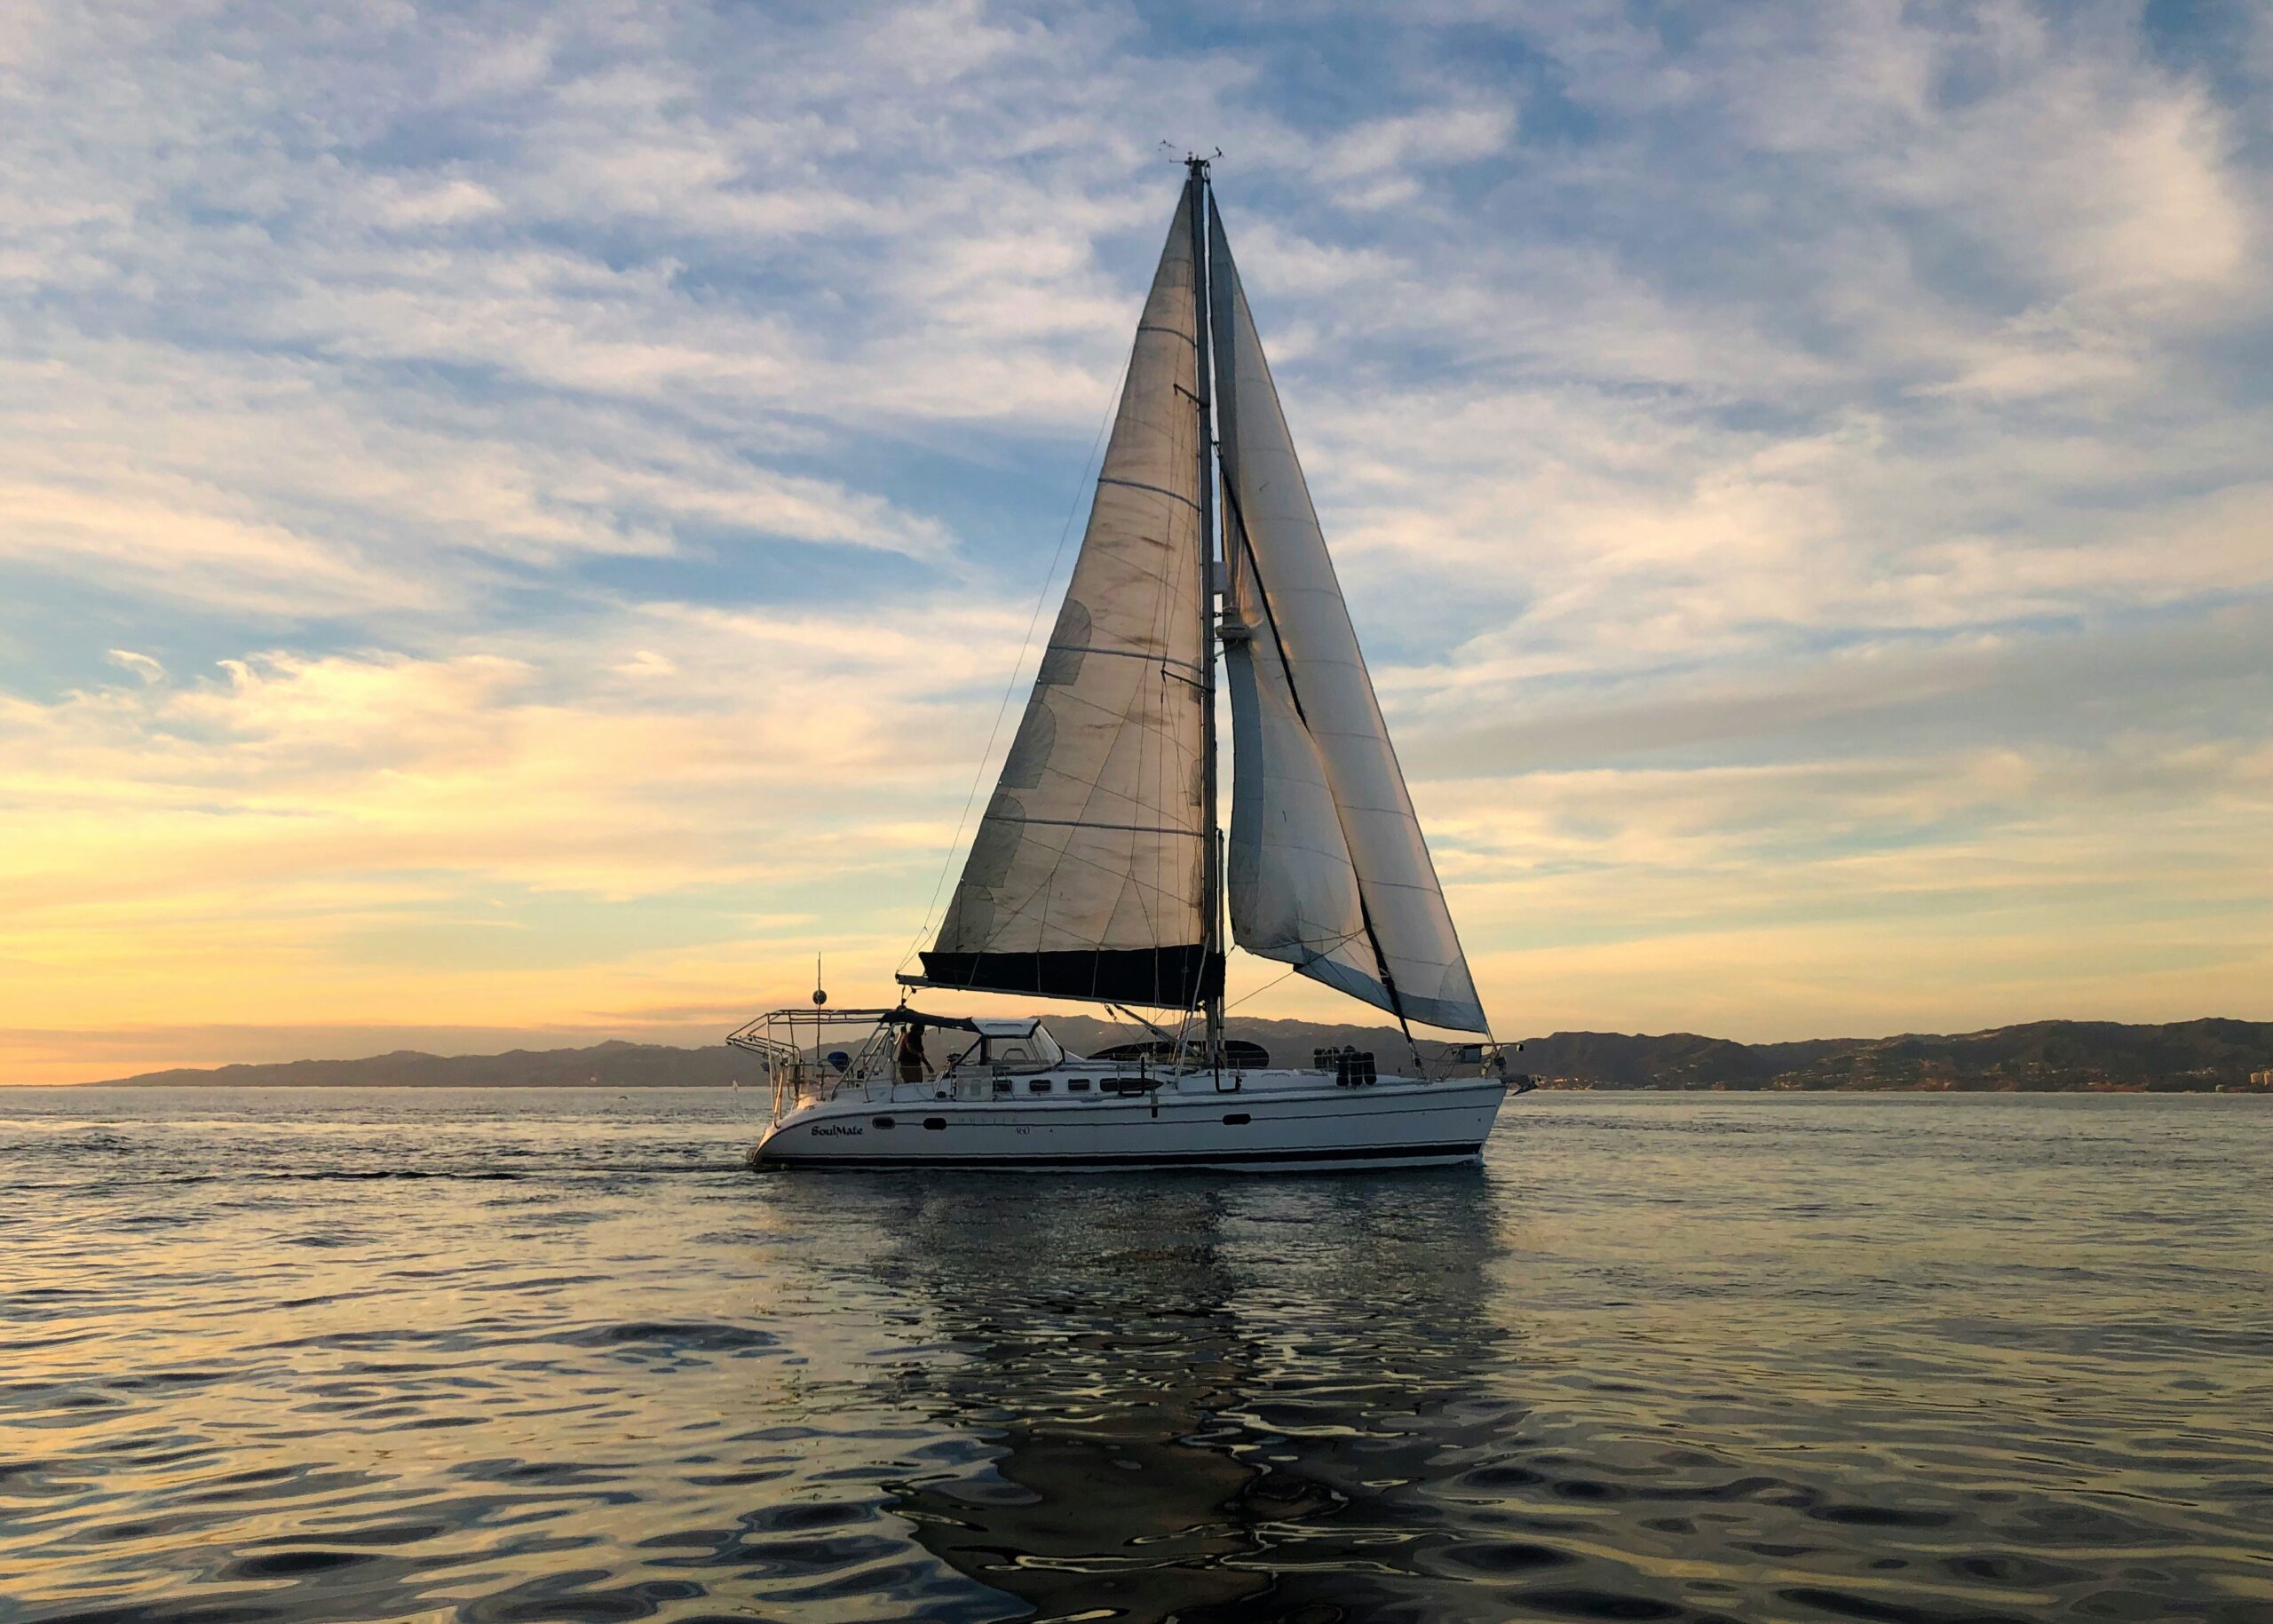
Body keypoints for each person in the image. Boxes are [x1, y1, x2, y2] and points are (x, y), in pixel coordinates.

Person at [895, 1021, 928, 1085]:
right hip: (908, 1064)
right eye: (922, 1030)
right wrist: (918, 1054)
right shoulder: (910, 1036)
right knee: (914, 1084)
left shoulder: (917, 1038)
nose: (923, 1033)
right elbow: (909, 1048)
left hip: (915, 1065)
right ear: (918, 1030)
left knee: (918, 1082)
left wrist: (927, 1065)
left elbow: (921, 1054)